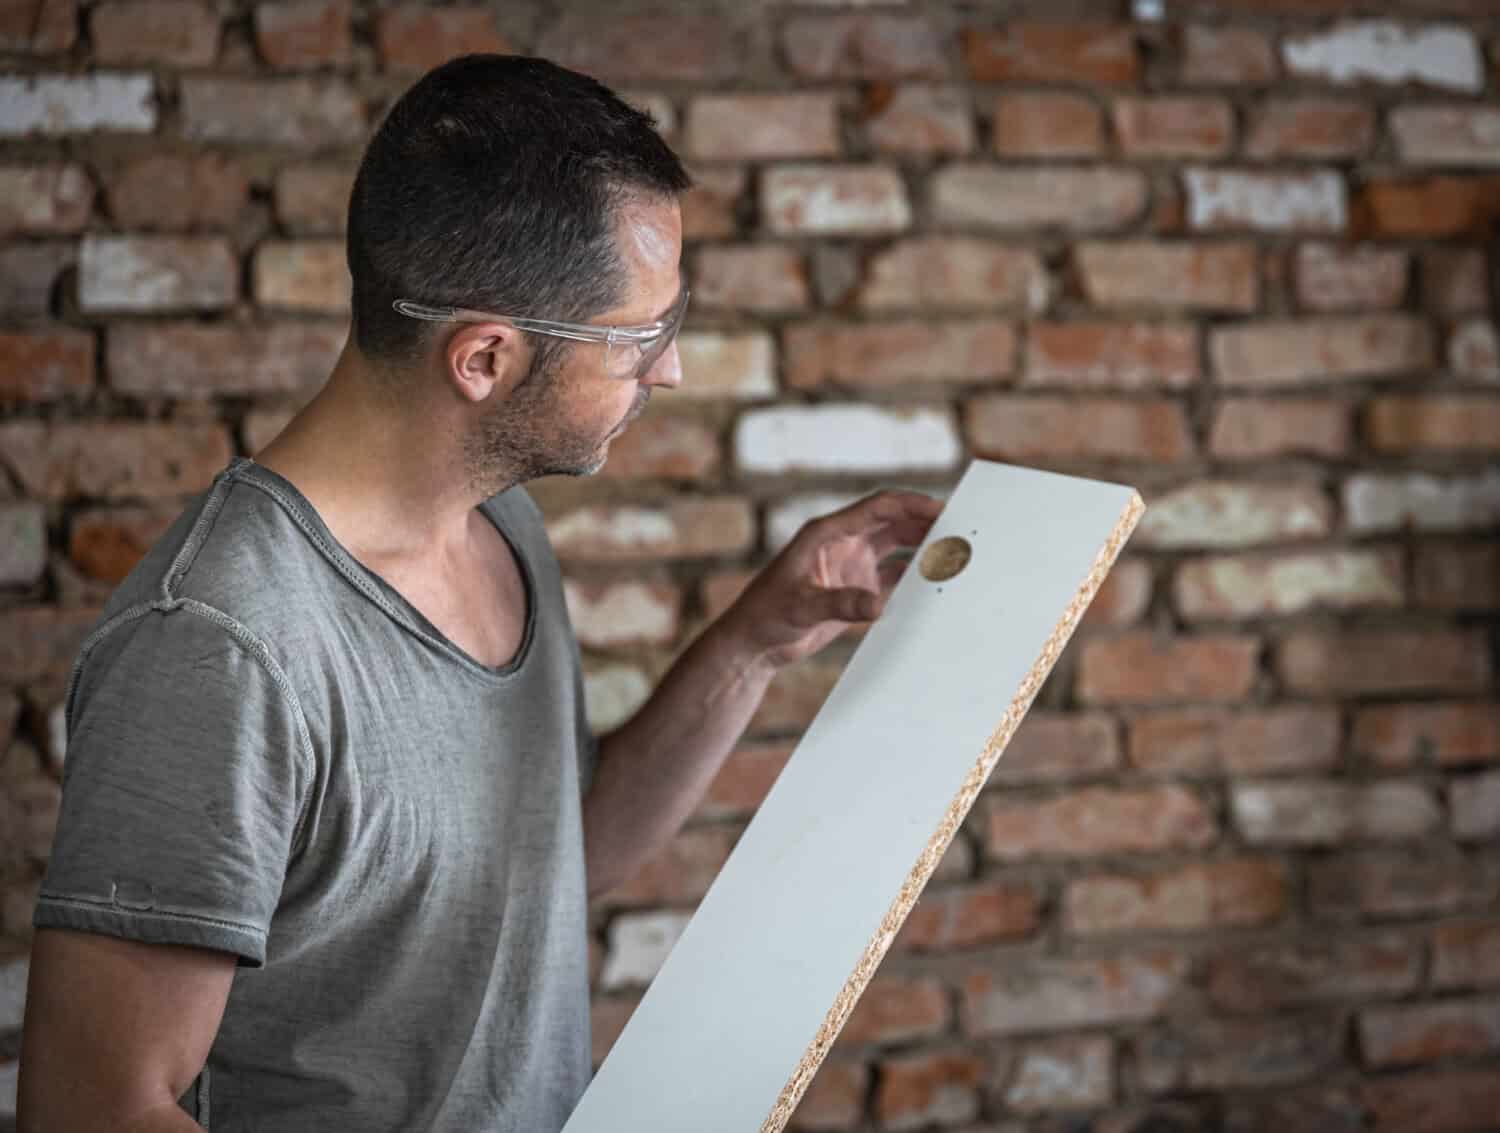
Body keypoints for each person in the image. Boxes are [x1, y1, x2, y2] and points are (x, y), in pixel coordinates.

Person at [16, 54, 941, 1132]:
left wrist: (758, 640)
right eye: (644, 336)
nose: (670, 371)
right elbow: (92, 1107)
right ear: (485, 359)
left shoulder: (500, 522)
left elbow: (555, 861)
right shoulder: (223, 645)